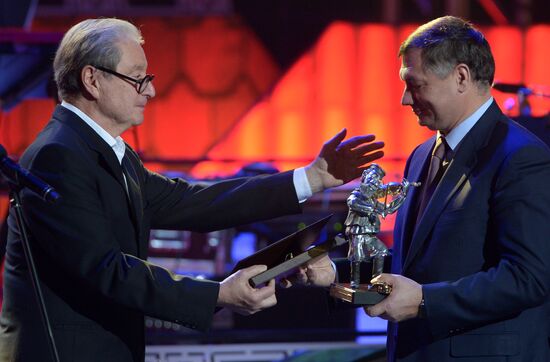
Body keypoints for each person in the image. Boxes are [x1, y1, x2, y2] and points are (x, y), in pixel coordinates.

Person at [0, 18, 385, 362]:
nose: (148, 91)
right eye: (138, 78)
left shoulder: (102, 150)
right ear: (92, 80)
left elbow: (192, 202)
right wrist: (216, 295)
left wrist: (310, 178)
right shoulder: (58, 155)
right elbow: (106, 270)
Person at [297, 16, 550, 361]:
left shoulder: (521, 157)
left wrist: (424, 301)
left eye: (414, 85)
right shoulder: (421, 155)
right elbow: (418, 263)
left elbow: (529, 278)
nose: (404, 99)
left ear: (461, 77)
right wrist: (340, 271)